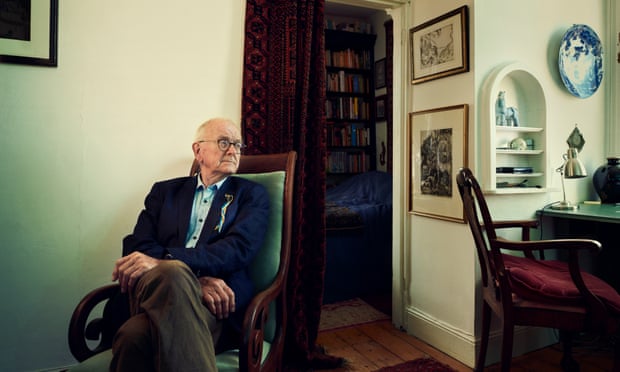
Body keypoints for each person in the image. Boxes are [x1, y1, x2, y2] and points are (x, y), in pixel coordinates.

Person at [110, 118, 270, 371]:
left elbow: (238, 249)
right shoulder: (164, 192)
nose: (233, 150)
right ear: (198, 150)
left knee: (133, 336)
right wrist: (193, 281)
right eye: (224, 142)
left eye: (238, 144)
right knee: (172, 272)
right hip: (161, 291)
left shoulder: (251, 195)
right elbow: (139, 243)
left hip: (215, 305)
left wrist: (169, 261)